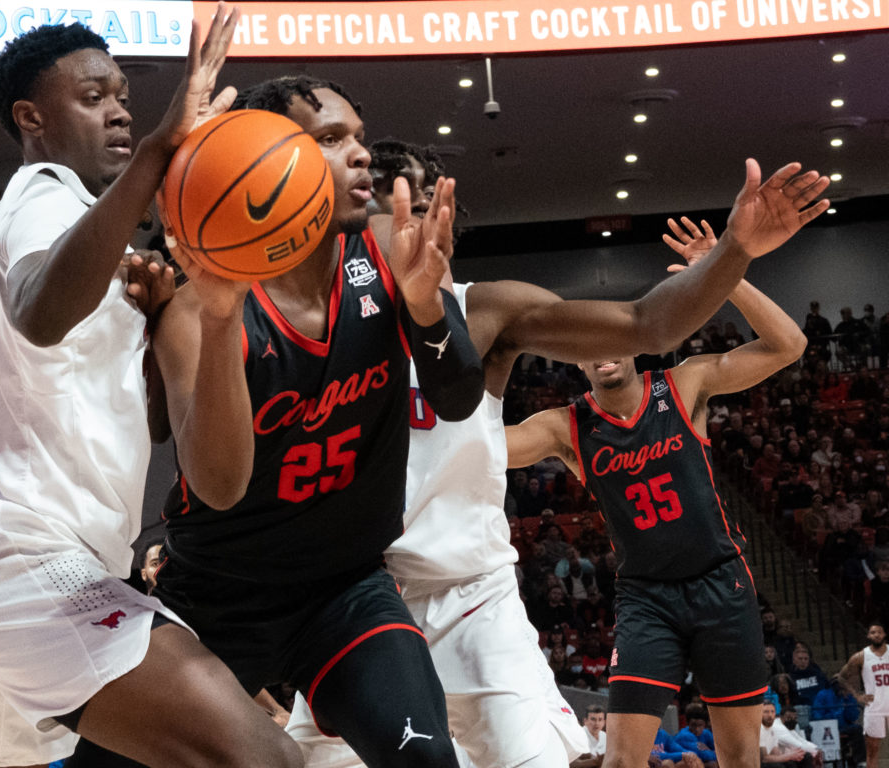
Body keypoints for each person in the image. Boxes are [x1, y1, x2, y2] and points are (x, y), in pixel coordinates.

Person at [279, 135, 827, 768]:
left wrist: (733, 254)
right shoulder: (307, 327)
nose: (424, 216)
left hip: (474, 593)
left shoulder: (486, 311)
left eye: (432, 201)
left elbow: (646, 322)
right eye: (400, 198)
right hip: (363, 592)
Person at [0, 9, 303, 768]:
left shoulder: (104, 248)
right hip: (21, 558)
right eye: (93, 96)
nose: (119, 108)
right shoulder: (44, 195)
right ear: (33, 117)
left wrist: (188, 318)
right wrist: (160, 150)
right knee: (262, 759)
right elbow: (40, 312)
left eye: (123, 94)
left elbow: (193, 463)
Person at [151, 74, 486, 768]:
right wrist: (219, 319)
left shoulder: (396, 250)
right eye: (332, 139)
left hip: (347, 589)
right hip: (218, 599)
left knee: (428, 760)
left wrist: (428, 307)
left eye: (359, 137)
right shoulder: (197, 307)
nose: (361, 154)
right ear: (268, 158)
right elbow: (216, 486)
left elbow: (458, 398)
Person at [505, 214, 819, 768]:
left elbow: (789, 344)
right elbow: (481, 448)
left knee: (739, 758)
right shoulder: (565, 426)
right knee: (622, 761)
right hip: (647, 598)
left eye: (613, 335)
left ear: (634, 341)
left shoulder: (684, 383)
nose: (603, 349)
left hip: (722, 585)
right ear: (576, 358)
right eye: (589, 342)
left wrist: (720, 273)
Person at [836, 623, 889, 768]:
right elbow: (840, 677)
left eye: (879, 632)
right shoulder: (861, 656)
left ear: (884, 634)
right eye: (872, 632)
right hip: (874, 707)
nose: (876, 635)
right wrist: (857, 696)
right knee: (872, 751)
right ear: (868, 636)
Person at [761, 702, 814, 768]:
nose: (770, 715)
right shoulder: (760, 729)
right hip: (758, 763)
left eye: (772, 712)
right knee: (780, 765)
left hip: (771, 760)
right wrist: (789, 756)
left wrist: (792, 754)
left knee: (805, 757)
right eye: (766, 712)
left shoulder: (772, 729)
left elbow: (776, 753)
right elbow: (765, 758)